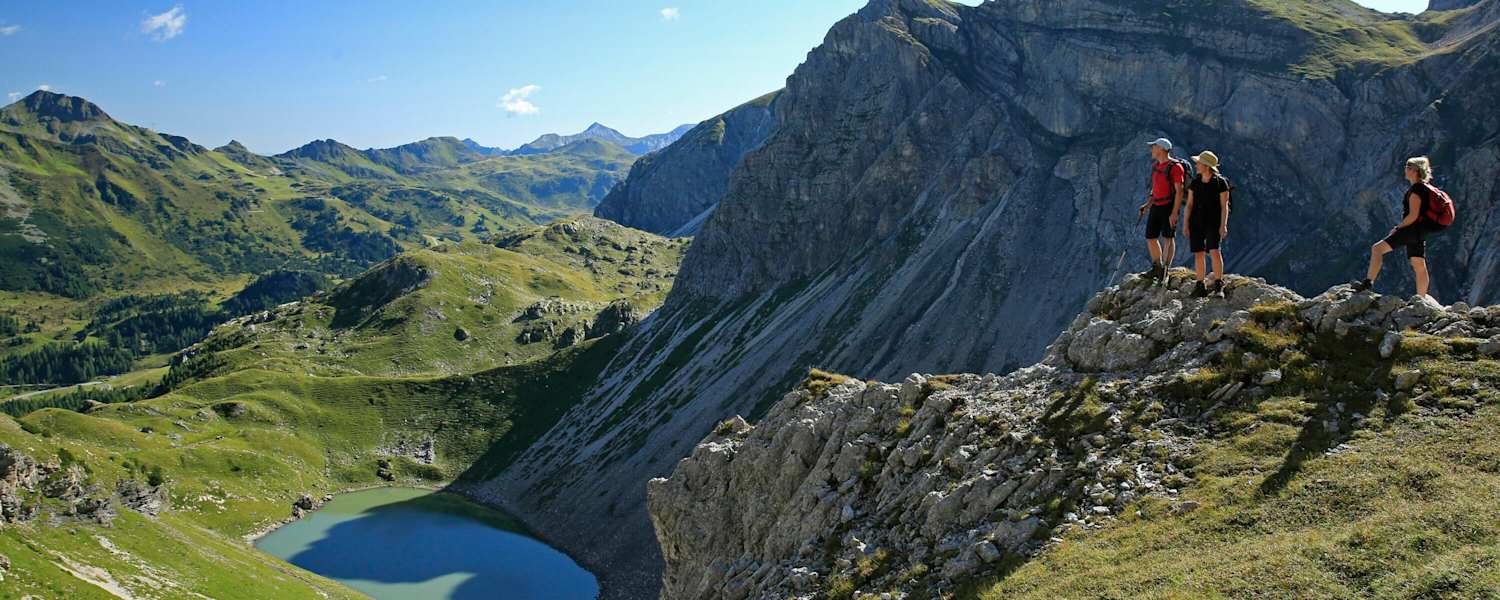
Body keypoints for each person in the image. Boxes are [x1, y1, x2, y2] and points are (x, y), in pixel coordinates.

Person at [1352, 156, 1442, 298]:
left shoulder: (1416, 191)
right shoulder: (1425, 188)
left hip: (1411, 230)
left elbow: (1413, 215)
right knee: (1418, 263)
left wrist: (1398, 227)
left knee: (1377, 249)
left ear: (1416, 171)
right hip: (1420, 231)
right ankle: (1421, 298)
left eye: (1408, 167)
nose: (1405, 169)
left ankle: (1367, 284)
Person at [1185, 150, 1231, 298]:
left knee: (1214, 251)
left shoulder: (1220, 183)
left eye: (1198, 163)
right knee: (1198, 253)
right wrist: (1185, 224)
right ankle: (1200, 285)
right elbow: (1189, 205)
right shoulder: (1195, 182)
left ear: (1206, 166)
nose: (1196, 165)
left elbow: (1224, 206)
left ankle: (1218, 284)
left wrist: (1223, 225)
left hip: (1213, 222)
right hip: (1196, 222)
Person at [1139, 138, 1186, 281]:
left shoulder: (1176, 167)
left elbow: (1180, 191)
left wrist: (1174, 213)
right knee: (1151, 236)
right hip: (1156, 205)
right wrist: (1147, 205)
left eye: (1153, 147)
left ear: (1161, 149)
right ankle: (1157, 267)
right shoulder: (1156, 166)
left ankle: (1165, 269)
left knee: (1168, 237)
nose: (1151, 149)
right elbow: (1155, 188)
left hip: (1169, 206)